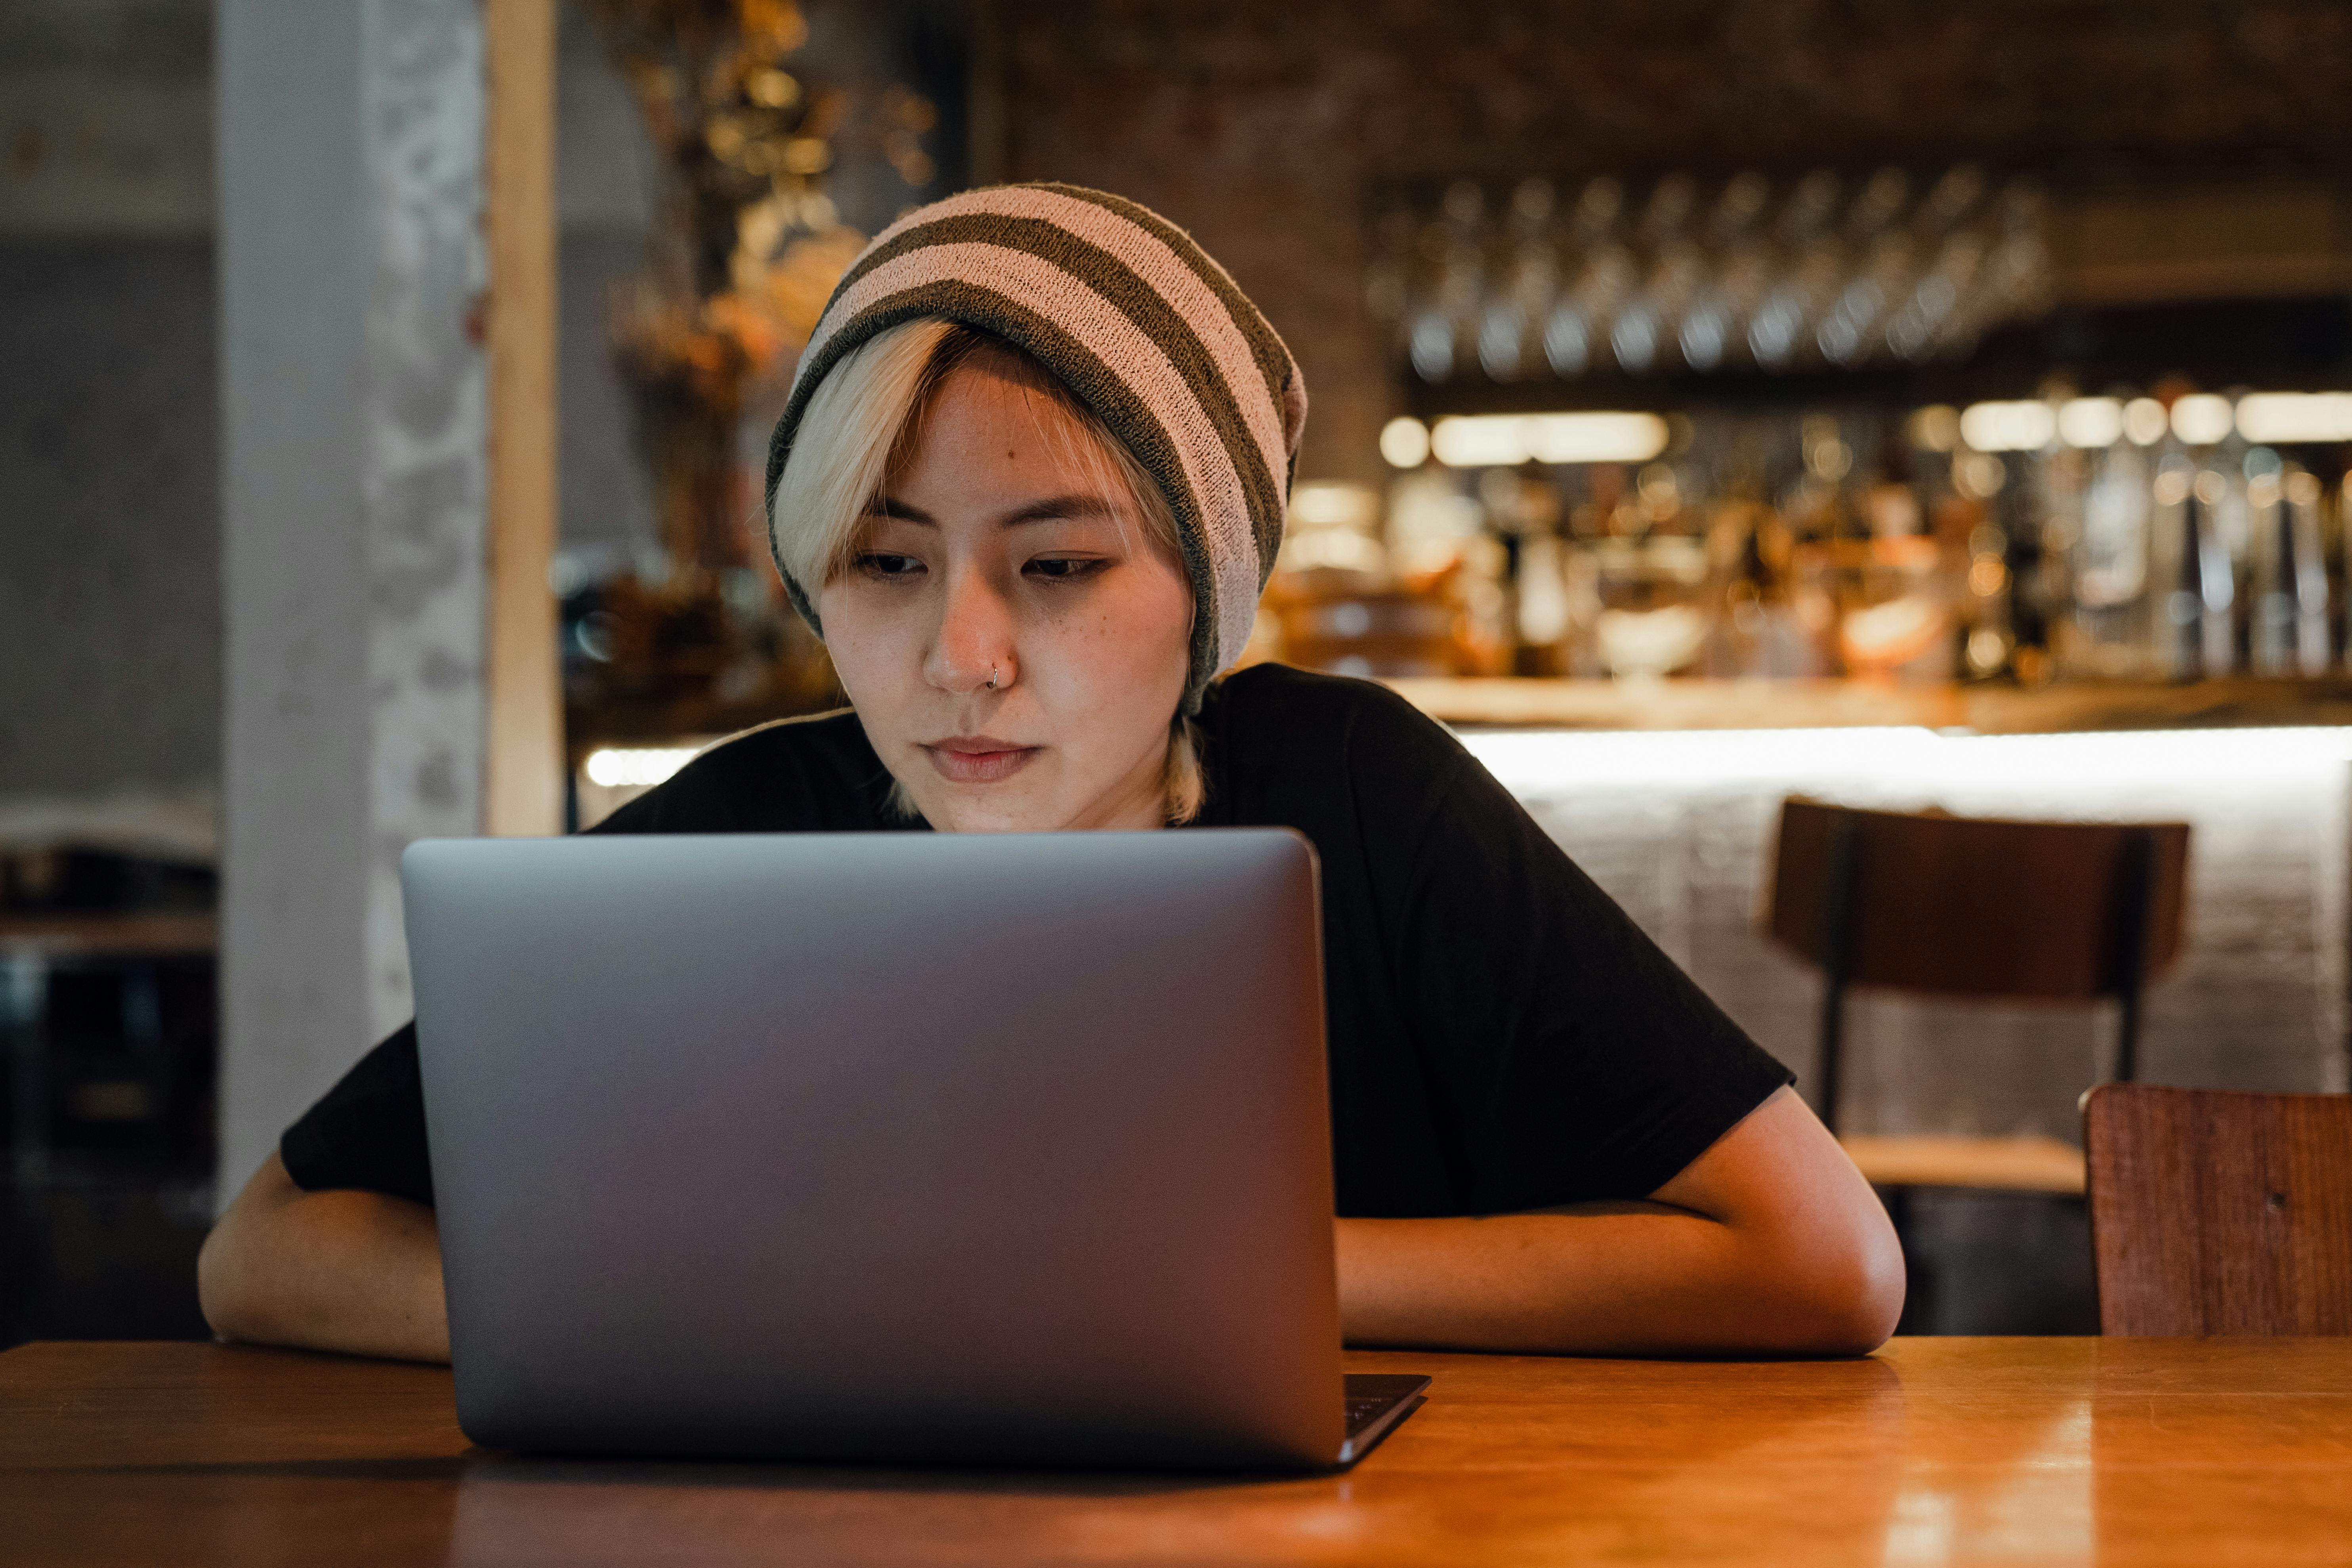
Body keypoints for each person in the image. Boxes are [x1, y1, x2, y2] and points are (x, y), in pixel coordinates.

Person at [200, 185, 1902, 1365]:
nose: (960, 656)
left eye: (1061, 567)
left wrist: (1160, 1282)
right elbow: (267, 1252)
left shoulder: (1363, 805)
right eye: (881, 564)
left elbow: (1821, 1262)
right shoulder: (721, 837)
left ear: (1207, 598)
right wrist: (746, 1307)